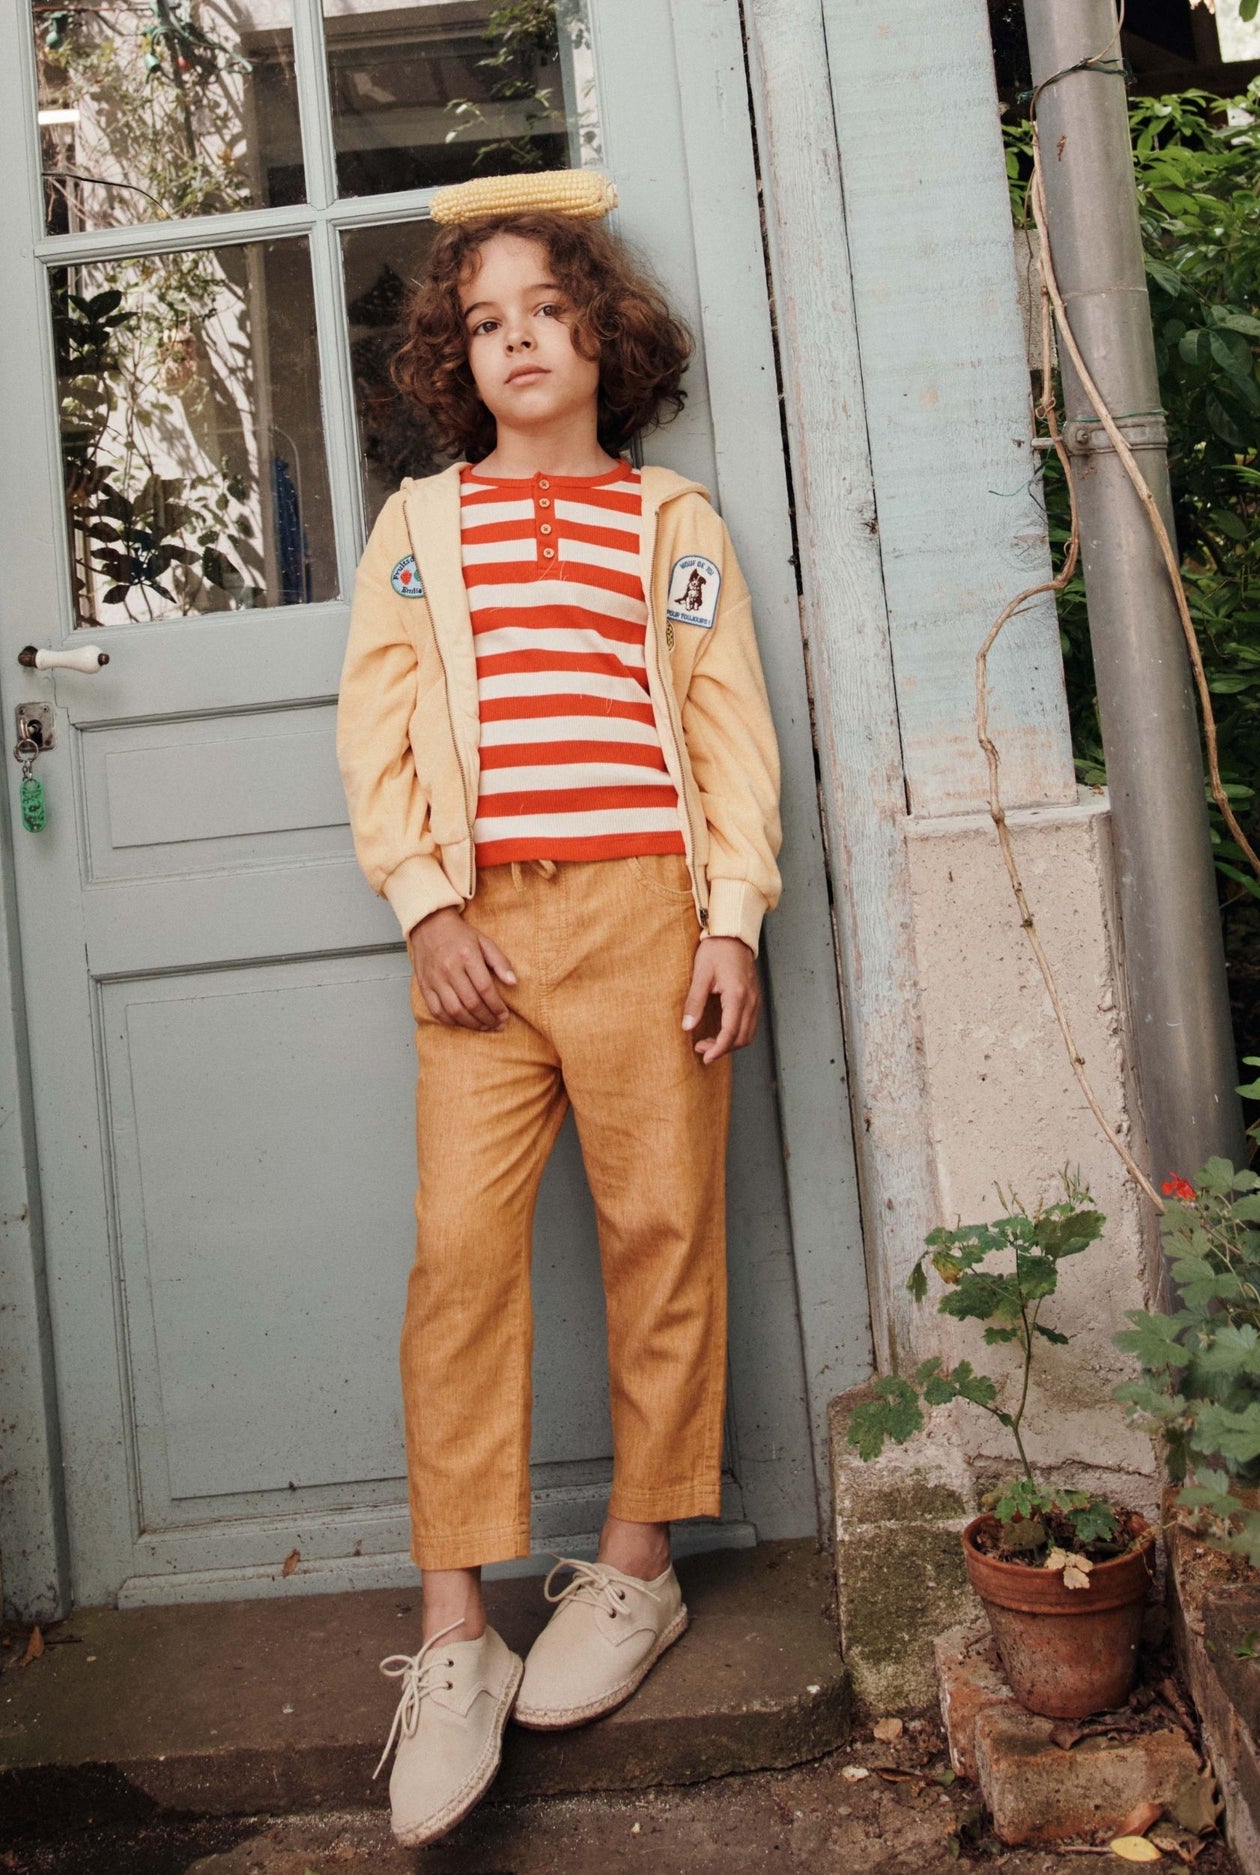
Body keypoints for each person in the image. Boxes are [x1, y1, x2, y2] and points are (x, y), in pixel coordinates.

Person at [334, 173, 783, 1849]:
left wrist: (729, 921)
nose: (517, 341)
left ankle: (640, 1563)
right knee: (460, 1255)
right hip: (484, 942)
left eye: (547, 309)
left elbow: (726, 727)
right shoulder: (419, 528)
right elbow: (377, 732)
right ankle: (455, 1627)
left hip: (649, 916)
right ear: (456, 360)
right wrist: (425, 903)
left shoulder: (670, 525)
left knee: (662, 1228)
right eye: (484, 322)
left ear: (605, 333)